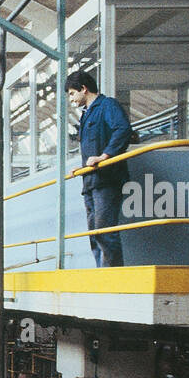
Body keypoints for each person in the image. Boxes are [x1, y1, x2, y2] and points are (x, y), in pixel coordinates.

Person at [67, 70, 131, 267]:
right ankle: (101, 274)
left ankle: (112, 277)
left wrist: (105, 156)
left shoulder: (107, 106)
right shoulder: (87, 115)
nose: (71, 99)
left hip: (107, 180)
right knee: (94, 232)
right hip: (91, 181)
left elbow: (122, 129)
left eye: (71, 93)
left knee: (104, 230)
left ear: (83, 89)